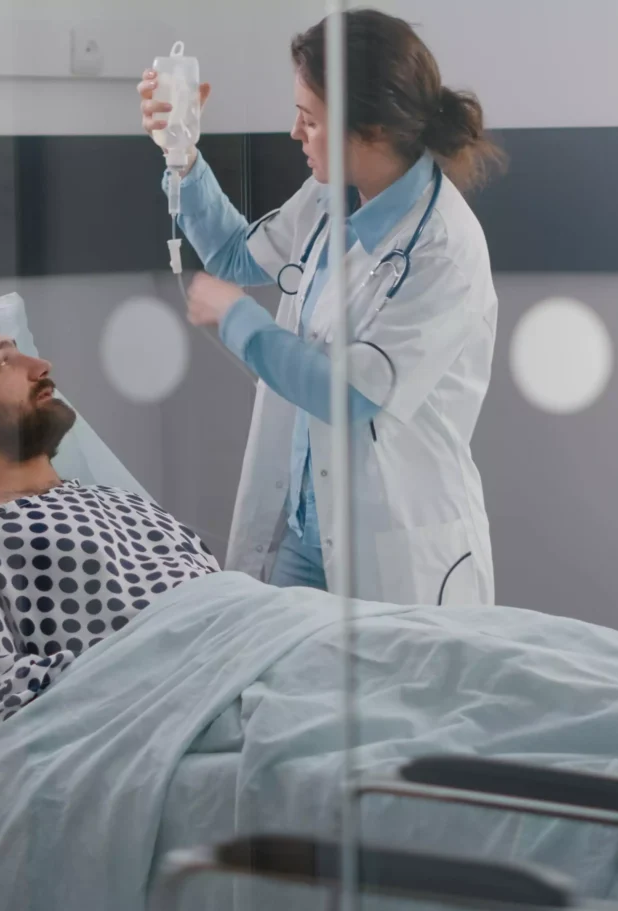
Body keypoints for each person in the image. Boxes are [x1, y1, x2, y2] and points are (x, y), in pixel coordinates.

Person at [138, 9, 505, 606]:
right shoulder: (330, 195)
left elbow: (350, 394)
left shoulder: (443, 249)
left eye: (309, 119)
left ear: (373, 131)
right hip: (303, 531)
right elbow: (236, 254)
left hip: (392, 543)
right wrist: (181, 154)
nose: (294, 133)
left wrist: (239, 320)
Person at [0, 334, 220, 763]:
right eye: (3, 363)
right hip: (178, 714)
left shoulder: (123, 501)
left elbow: (227, 606)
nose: (42, 365)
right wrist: (169, 675)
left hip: (261, 656)